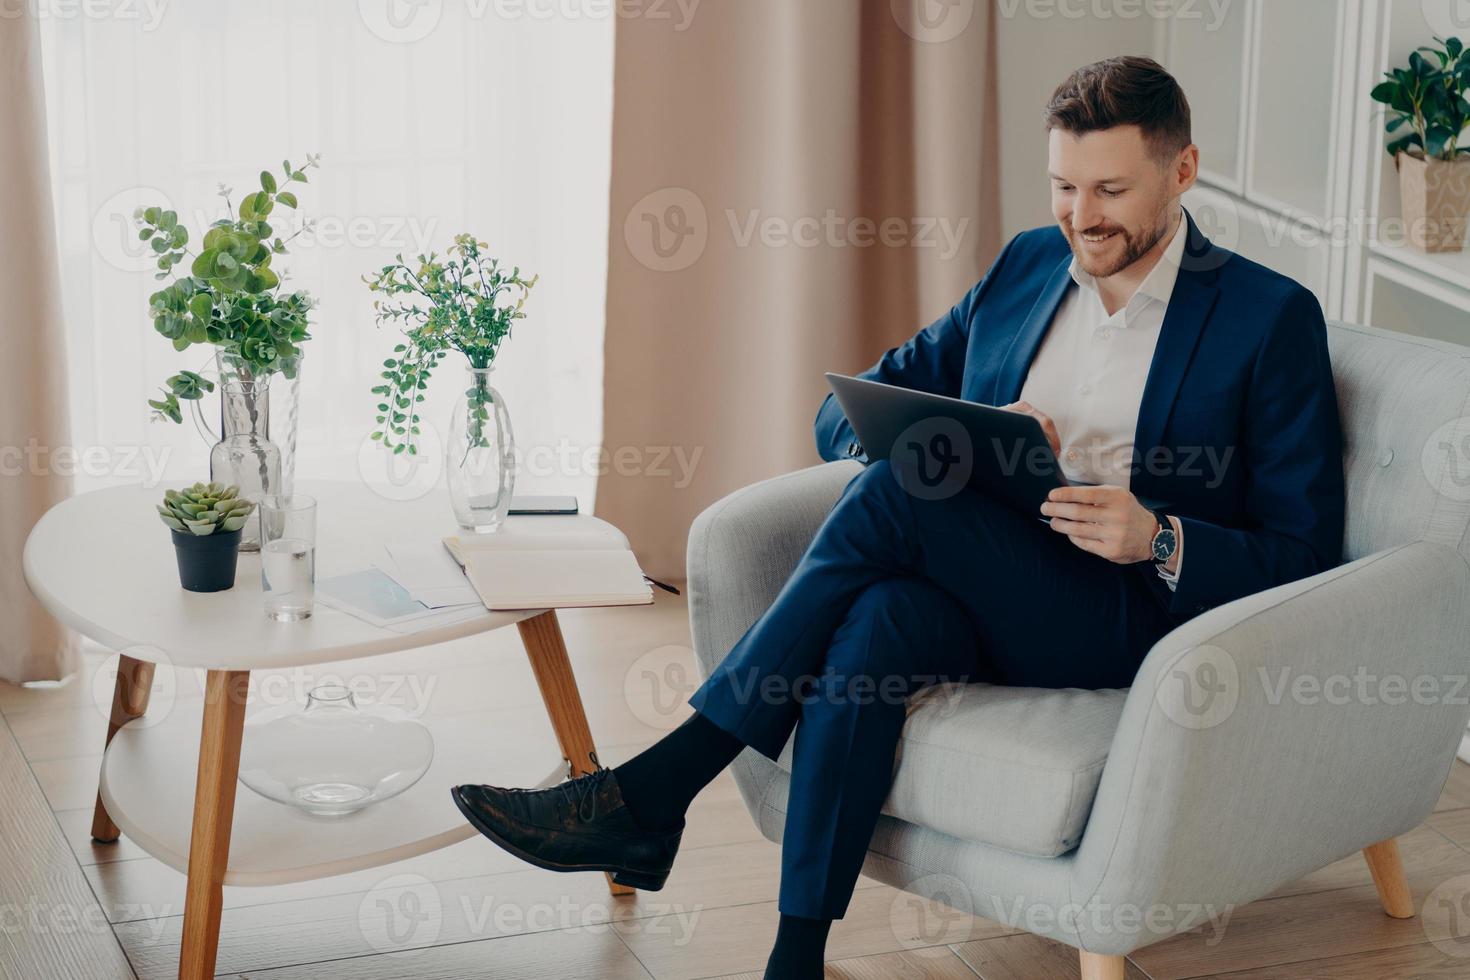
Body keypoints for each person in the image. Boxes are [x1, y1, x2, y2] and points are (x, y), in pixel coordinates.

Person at [451, 55, 1345, 979]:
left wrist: (1158, 536)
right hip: (993, 586)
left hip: (1130, 615)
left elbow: (1305, 552)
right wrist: (984, 432)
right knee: (875, 626)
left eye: (1112, 189)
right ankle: (794, 957)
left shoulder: (1268, 319)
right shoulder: (1028, 268)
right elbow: (847, 410)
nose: (1083, 217)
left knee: (898, 490)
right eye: (1064, 187)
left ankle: (659, 786)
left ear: (1183, 171)